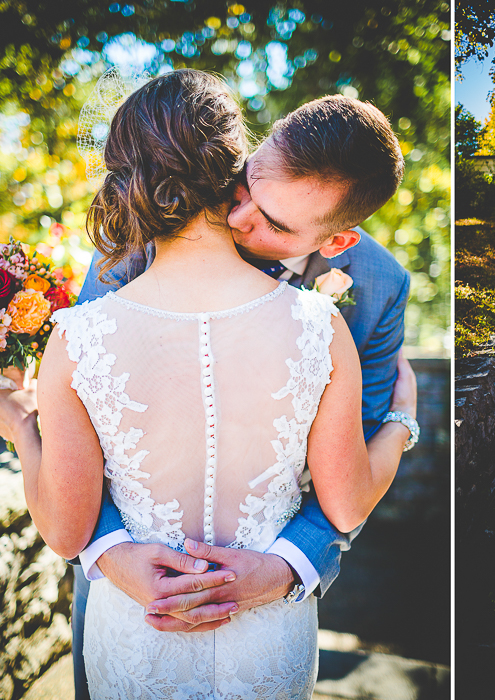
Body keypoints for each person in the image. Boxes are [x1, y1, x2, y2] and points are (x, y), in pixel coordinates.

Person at [0, 69, 412, 697]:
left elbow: (342, 499)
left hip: (248, 608)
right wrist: (110, 553)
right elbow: (86, 488)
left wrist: (282, 569)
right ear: (244, 157)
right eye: (244, 187)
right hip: (147, 610)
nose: (243, 215)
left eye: (273, 221)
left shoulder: (373, 292)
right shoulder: (319, 327)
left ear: (337, 241)